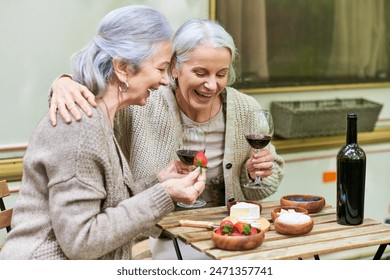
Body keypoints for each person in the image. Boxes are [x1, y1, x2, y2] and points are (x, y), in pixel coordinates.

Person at [48, 19, 284, 259]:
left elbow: (266, 182)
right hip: (164, 237)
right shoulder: (142, 103)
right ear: (174, 68)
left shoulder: (245, 108)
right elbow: (90, 104)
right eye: (200, 72)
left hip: (231, 237)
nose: (212, 85)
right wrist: (63, 81)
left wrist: (255, 174)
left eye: (221, 74)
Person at [0, 6, 206, 260]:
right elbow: (82, 242)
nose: (165, 80)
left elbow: (105, 203)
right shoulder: (80, 126)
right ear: (122, 68)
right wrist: (164, 195)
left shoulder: (102, 117)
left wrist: (159, 183)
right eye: (160, 68)